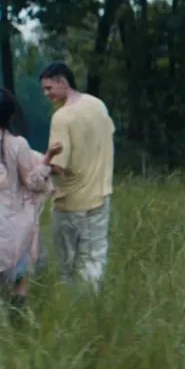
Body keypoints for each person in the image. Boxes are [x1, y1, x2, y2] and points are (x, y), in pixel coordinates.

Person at [0, 87, 62, 309]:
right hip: (11, 222)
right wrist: (48, 158)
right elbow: (33, 182)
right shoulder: (18, 144)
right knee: (20, 276)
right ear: (11, 116)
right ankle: (16, 316)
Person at [39, 62, 115, 293]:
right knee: (94, 258)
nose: (46, 94)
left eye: (49, 88)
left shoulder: (62, 118)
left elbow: (58, 167)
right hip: (101, 196)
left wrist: (38, 163)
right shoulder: (98, 105)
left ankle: (73, 306)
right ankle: (92, 305)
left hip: (69, 203)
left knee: (67, 266)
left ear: (63, 82)